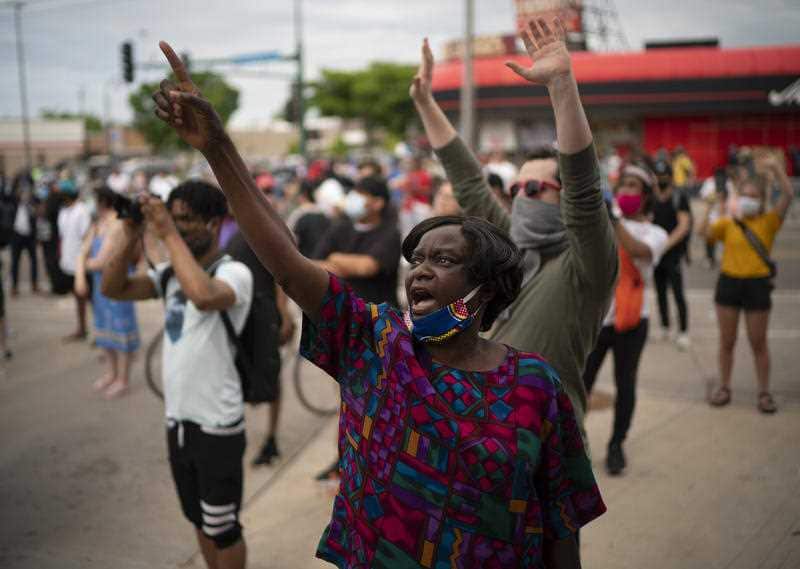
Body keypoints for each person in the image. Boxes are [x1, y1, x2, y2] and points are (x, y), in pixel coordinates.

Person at [151, 28, 606, 567]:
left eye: (443, 261)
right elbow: (290, 266)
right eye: (416, 261)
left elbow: (560, 528)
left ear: (484, 287)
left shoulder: (535, 385)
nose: (419, 274)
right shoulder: (378, 343)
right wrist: (219, 149)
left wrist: (560, 85)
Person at [409, 29, 617, 442]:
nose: (522, 197)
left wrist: (561, 85)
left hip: (545, 442)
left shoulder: (584, 268)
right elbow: (469, 183)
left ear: (562, 199)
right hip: (483, 433)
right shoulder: (510, 250)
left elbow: (582, 187)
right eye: (517, 188)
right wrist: (425, 103)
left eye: (536, 189)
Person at [102, 180, 253, 569]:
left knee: (224, 528)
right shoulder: (170, 274)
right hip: (179, 422)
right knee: (198, 520)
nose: (179, 226)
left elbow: (204, 296)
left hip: (217, 425)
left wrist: (167, 231)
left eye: (187, 219)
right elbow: (112, 287)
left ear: (215, 223)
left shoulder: (235, 272)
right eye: (175, 218)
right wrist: (131, 230)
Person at [582, 163, 668, 475]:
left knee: (625, 383)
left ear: (645, 196)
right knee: (580, 383)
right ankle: (570, 442)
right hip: (596, 319)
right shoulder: (603, 223)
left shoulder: (656, 233)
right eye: (623, 185)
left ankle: (616, 444)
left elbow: (639, 252)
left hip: (632, 322)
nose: (626, 191)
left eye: (634, 186)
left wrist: (614, 219)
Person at [699, 158, 794, 414]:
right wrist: (712, 207)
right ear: (737, 198)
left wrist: (776, 169)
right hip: (728, 283)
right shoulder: (728, 223)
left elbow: (788, 194)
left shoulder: (769, 222)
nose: (748, 200)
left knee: (758, 343)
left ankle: (764, 393)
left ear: (762, 201)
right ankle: (724, 387)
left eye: (754, 196)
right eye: (744, 195)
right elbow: (703, 232)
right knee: (726, 342)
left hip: (757, 286)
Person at [75, 187, 141, 399]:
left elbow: (100, 261)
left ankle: (122, 379)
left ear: (103, 202)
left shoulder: (117, 224)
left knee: (120, 332)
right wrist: (84, 264)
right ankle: (112, 374)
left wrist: (83, 264)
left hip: (117, 285)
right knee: (104, 332)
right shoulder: (99, 224)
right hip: (100, 286)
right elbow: (85, 252)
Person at [313, 176, 401, 307]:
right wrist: (348, 267)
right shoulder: (339, 228)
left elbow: (366, 267)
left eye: (361, 195)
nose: (353, 199)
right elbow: (315, 264)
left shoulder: (390, 233)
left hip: (378, 316)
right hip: (341, 311)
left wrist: (334, 257)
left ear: (378, 203)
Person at [651, 159, 692, 349]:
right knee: (660, 292)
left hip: (673, 253)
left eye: (664, 176)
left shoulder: (678, 198)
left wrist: (664, 244)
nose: (661, 179)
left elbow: (684, 226)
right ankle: (665, 327)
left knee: (677, 293)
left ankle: (683, 331)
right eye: (658, 176)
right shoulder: (652, 198)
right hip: (656, 254)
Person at [57, 179, 92, 341]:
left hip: (81, 263)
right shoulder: (63, 211)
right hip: (68, 261)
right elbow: (62, 236)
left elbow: (87, 237)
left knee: (92, 299)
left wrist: (84, 260)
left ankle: (100, 332)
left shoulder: (81, 210)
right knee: (78, 299)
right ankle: (82, 329)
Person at [10, 187, 39, 295]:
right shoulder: (14, 204)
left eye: (26, 194)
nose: (24, 196)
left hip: (29, 236)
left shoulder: (31, 205)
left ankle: (34, 284)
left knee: (34, 260)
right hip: (16, 235)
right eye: (22, 194)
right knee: (15, 262)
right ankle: (14, 286)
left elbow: (36, 214)